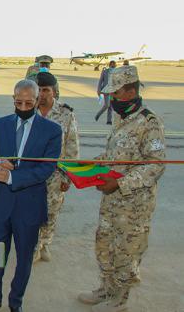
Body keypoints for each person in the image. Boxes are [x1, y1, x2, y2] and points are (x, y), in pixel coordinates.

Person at [78, 66, 165, 312]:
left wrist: (120, 183)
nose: (111, 99)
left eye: (114, 94)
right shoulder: (121, 118)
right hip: (111, 200)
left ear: (128, 91)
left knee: (127, 251)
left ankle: (120, 299)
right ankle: (106, 288)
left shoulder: (150, 122)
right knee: (104, 244)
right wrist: (95, 163)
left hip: (134, 204)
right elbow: (116, 154)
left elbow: (156, 164)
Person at [0, 79, 62, 312]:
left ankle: (16, 302)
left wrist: (13, 177)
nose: (23, 107)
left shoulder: (53, 131)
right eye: (18, 102)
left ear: (37, 100)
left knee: (24, 260)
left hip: (29, 207)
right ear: (12, 100)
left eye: (28, 103)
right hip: (0, 205)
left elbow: (47, 168)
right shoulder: (1, 124)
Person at [34, 72, 79, 262]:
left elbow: (72, 145)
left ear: (54, 92)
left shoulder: (65, 114)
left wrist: (68, 176)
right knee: (32, 212)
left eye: (46, 90)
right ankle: (34, 246)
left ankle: (45, 243)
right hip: (32, 173)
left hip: (56, 174)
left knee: (52, 212)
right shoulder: (28, 110)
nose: (42, 94)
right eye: (39, 90)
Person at [95, 61, 117, 125]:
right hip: (106, 90)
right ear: (109, 65)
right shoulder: (105, 71)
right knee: (107, 105)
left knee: (111, 106)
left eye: (114, 66)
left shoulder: (117, 72)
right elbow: (100, 81)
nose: (113, 67)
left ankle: (109, 121)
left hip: (113, 91)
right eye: (112, 66)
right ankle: (98, 114)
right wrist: (98, 90)